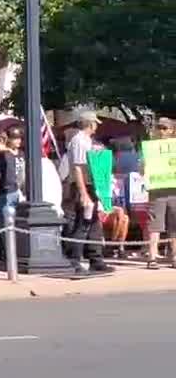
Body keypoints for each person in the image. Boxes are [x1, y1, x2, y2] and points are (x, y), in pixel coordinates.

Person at [64, 112, 113, 274]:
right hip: (82, 186)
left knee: (93, 224)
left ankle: (95, 259)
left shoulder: (88, 141)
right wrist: (83, 193)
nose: (97, 127)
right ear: (90, 124)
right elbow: (78, 167)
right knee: (82, 223)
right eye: (95, 124)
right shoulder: (78, 141)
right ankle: (74, 260)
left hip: (91, 185)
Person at [145, 117, 176, 269]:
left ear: (172, 130)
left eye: (165, 128)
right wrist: (145, 166)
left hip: (174, 190)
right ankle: (152, 257)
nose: (161, 131)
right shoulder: (150, 148)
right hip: (157, 190)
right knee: (155, 224)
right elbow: (141, 169)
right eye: (159, 128)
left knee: (174, 225)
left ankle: (175, 257)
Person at [0, 131, 22, 261]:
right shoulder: (18, 155)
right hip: (16, 191)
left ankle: (9, 257)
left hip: (4, 193)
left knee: (4, 225)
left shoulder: (0, 156)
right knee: (14, 224)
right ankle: (13, 256)